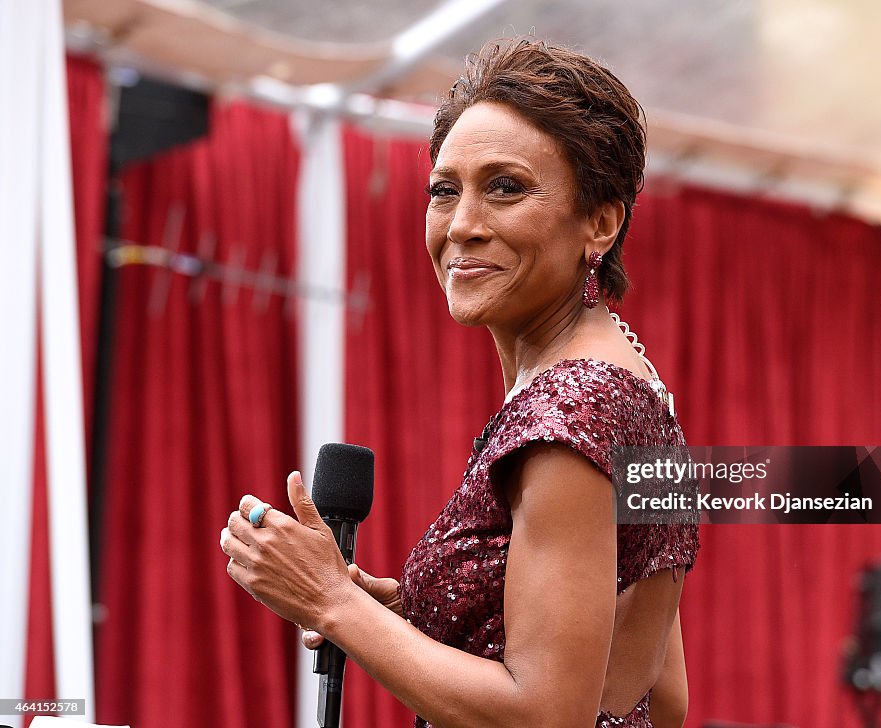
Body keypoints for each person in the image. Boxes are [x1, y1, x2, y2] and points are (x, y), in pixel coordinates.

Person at [220, 37, 699, 728]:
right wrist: (406, 620)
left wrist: (334, 602)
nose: (464, 225)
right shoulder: (636, 387)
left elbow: (545, 715)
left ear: (600, 222)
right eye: (445, 191)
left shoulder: (572, 414)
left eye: (506, 187)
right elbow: (660, 696)